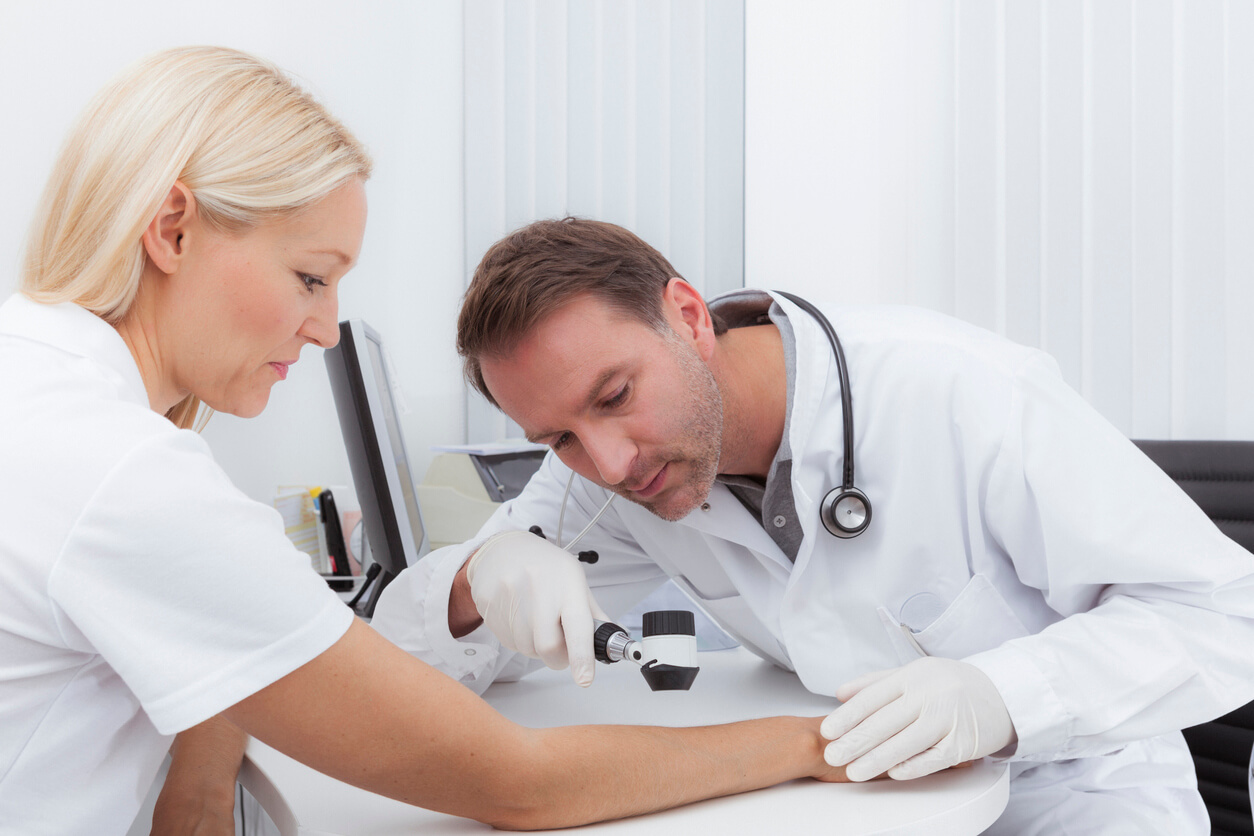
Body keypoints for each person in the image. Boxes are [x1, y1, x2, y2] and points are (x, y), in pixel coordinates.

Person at [0, 48, 850, 836]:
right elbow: (522, 783)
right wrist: (818, 743)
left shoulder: (41, 388)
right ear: (174, 228)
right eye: (310, 276)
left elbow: (210, 639)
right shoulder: (121, 470)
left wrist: (199, 777)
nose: (327, 329)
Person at [371, 216, 1254, 835]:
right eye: (558, 436)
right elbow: (401, 680)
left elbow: (1224, 612)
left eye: (615, 397)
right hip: (859, 813)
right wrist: (472, 583)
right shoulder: (614, 479)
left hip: (1071, 801)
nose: (607, 462)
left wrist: (1003, 696)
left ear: (687, 317)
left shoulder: (961, 394)